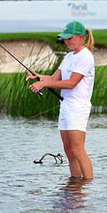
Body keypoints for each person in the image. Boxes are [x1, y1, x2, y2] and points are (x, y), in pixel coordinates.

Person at [29, 21, 95, 179]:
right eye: (65, 38)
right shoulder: (69, 56)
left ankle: (86, 185)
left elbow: (71, 83)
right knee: (68, 150)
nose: (66, 41)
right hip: (65, 106)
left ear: (80, 37)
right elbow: (54, 78)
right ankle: (75, 185)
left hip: (78, 107)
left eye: (69, 38)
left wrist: (43, 84)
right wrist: (39, 77)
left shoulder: (85, 56)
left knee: (78, 150)